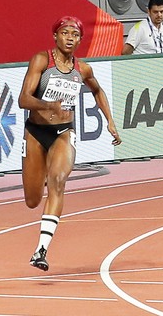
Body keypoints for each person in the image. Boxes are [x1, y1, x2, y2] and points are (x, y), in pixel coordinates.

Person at [19, 16, 121, 270]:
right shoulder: (42, 61)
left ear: (79, 40)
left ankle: (41, 250)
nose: (70, 38)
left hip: (64, 132)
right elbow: (23, 99)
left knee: (59, 181)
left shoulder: (82, 69)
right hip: (35, 132)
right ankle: (41, 170)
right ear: (55, 36)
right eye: (65, 33)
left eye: (75, 35)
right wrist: (47, 105)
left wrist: (109, 120)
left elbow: (97, 90)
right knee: (32, 200)